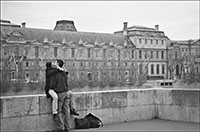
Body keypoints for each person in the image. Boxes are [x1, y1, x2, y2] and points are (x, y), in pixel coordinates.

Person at [49, 59, 73, 132]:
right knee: (66, 110)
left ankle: (61, 127)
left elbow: (52, 84)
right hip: (66, 91)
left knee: (58, 111)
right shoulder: (64, 72)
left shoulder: (55, 73)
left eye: (55, 62)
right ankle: (68, 127)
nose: (54, 63)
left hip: (60, 92)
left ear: (57, 64)